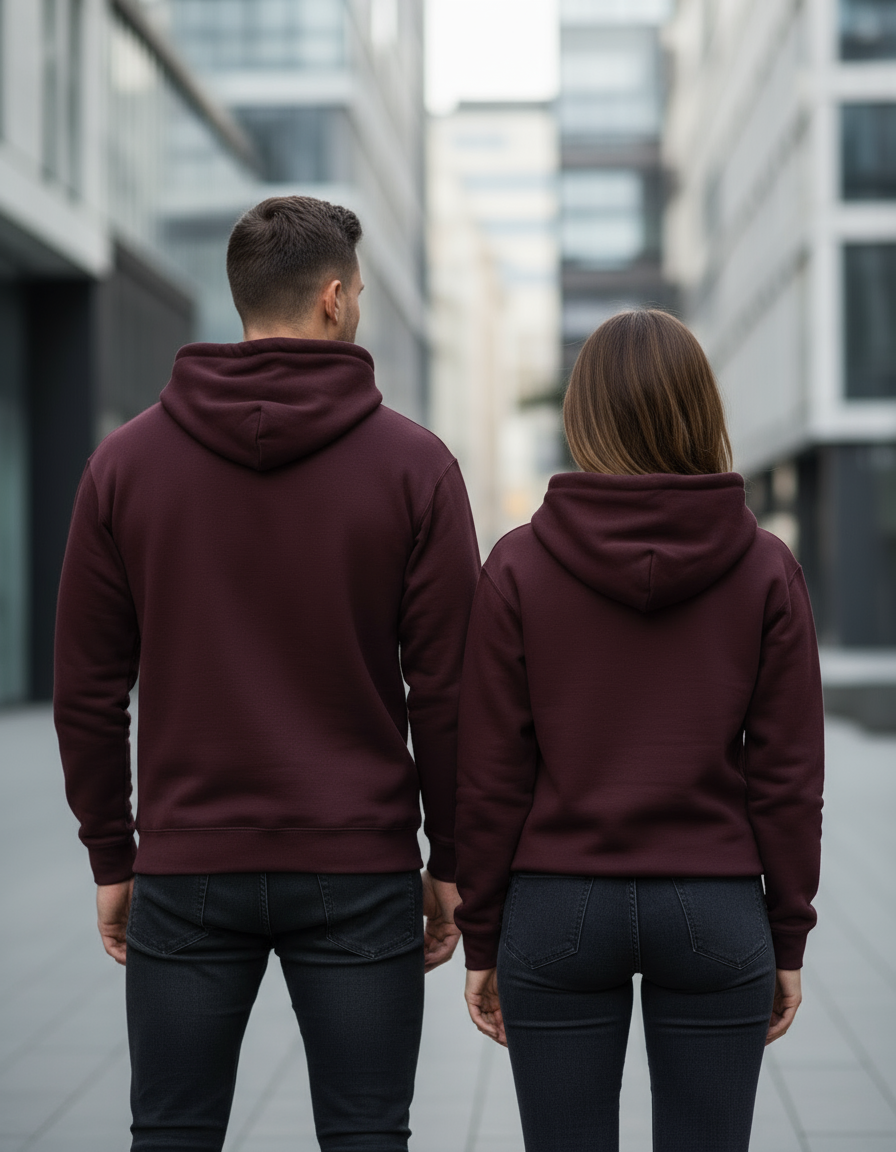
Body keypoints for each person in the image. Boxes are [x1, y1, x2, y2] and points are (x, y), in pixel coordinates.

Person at [54, 195, 479, 1152]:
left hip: (187, 860)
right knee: (368, 1134)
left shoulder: (123, 465)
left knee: (172, 1133)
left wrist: (111, 853)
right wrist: (451, 861)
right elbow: (450, 690)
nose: (360, 305)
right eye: (362, 293)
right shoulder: (418, 469)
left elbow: (86, 688)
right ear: (334, 300)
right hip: (359, 865)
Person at [454, 310, 824, 1152]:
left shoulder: (517, 564)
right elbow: (788, 777)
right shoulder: (766, 567)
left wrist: (484, 932)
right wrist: (788, 933)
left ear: (583, 417)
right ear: (702, 411)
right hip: (715, 905)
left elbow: (490, 774)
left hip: (557, 905)